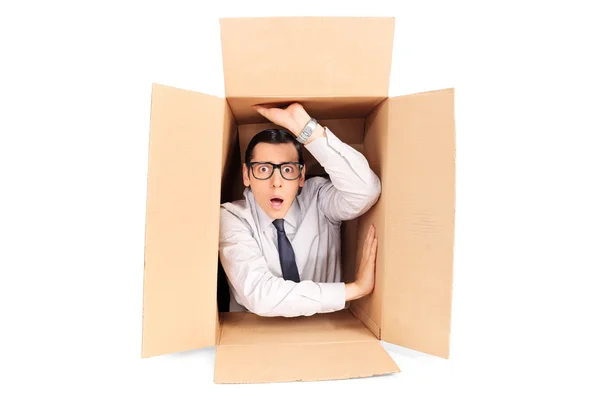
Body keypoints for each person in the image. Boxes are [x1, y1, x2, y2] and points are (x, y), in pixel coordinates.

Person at [218, 102, 381, 317]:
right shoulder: (231, 217)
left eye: (287, 169)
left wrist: (307, 130)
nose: (276, 182)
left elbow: (365, 192)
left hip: (330, 331)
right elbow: (262, 296)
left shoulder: (318, 198)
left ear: (302, 176)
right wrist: (354, 289)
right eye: (264, 169)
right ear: (246, 175)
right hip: (256, 336)